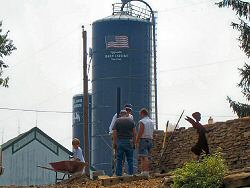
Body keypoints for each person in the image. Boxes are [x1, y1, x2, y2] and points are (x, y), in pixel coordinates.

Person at [113, 110, 136, 176]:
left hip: (120, 141)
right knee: (130, 159)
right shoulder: (131, 121)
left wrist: (115, 142)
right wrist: (134, 142)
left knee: (119, 159)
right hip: (129, 141)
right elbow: (134, 132)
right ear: (126, 114)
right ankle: (131, 174)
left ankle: (119, 175)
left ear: (120, 114)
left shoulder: (117, 121)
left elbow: (114, 132)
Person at [136, 108, 154, 177]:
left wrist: (137, 140)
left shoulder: (142, 121)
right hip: (150, 140)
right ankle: (144, 172)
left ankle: (145, 173)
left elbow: (140, 131)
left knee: (144, 157)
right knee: (145, 157)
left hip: (143, 140)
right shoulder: (152, 122)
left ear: (142, 113)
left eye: (140, 114)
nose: (140, 115)